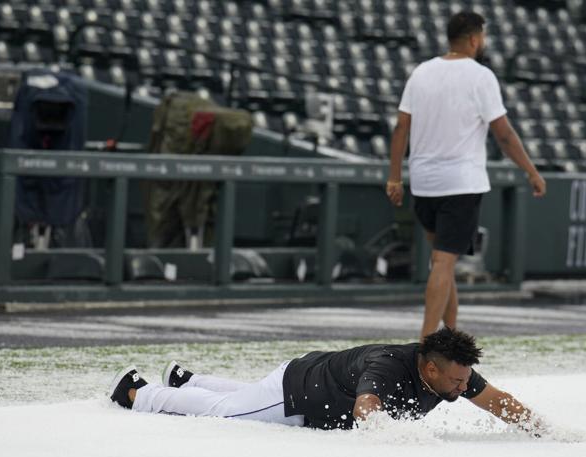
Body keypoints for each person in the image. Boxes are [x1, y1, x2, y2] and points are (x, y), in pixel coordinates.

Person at [386, 11, 547, 339]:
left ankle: (452, 335)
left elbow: (402, 125)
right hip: (460, 184)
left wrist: (394, 177)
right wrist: (531, 171)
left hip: (424, 184)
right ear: (475, 38)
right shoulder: (480, 76)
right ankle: (427, 345)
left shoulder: (421, 72)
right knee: (444, 264)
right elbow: (503, 135)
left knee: (442, 263)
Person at [109, 327, 545, 435]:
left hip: (309, 371)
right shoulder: (391, 366)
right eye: (455, 380)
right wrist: (391, 439)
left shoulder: (452, 375)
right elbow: (366, 406)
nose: (462, 387)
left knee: (244, 397)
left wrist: (541, 428)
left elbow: (496, 399)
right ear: (430, 368)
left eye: (464, 379)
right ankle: (137, 392)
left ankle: (186, 379)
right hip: (298, 393)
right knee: (227, 413)